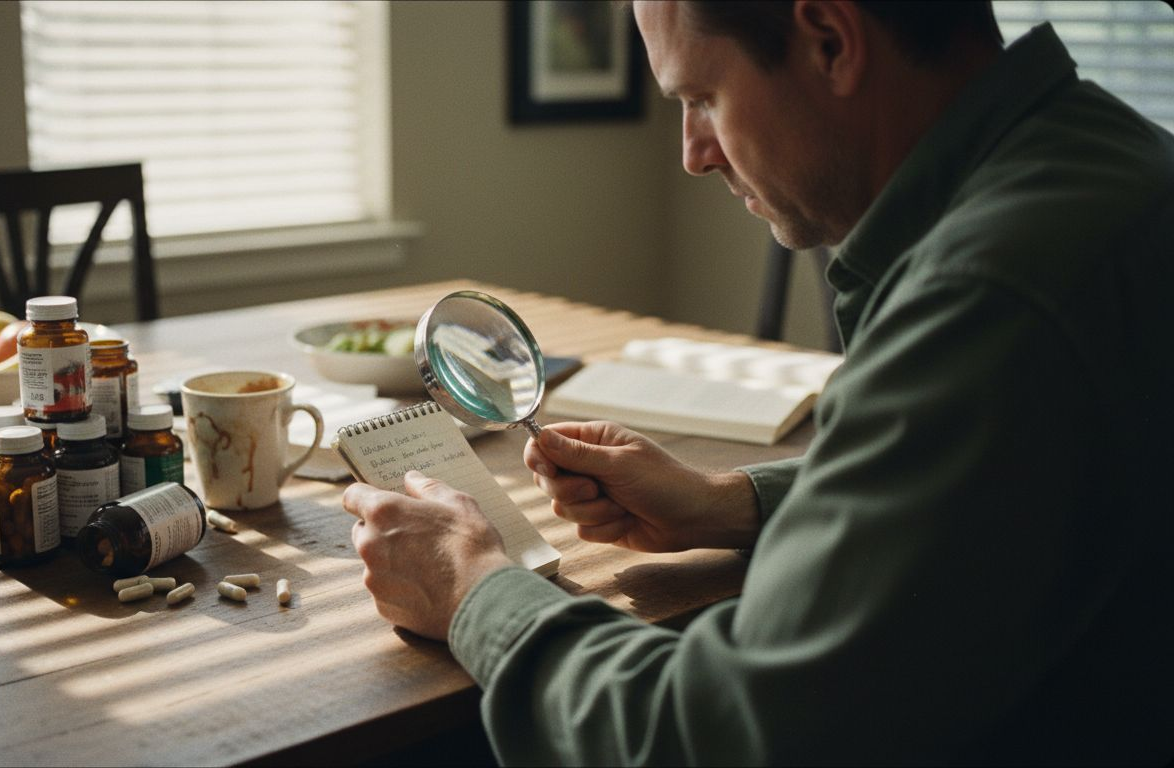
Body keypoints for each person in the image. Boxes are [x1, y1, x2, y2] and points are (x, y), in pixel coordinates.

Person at [344, 0, 1174, 763]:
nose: (693, 156)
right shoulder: (1107, 166)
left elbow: (719, 736)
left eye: (700, 98)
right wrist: (728, 504)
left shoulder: (989, 298)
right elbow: (1005, 482)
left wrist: (473, 590)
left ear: (830, 41)